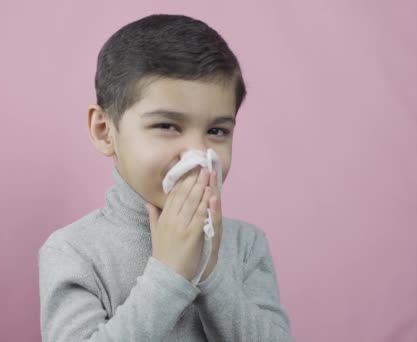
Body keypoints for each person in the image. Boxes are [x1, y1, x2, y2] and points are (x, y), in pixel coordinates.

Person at [38, 13, 294, 341]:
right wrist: (169, 274)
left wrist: (211, 274)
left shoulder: (246, 245)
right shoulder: (73, 251)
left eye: (216, 131)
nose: (196, 154)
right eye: (167, 126)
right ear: (105, 131)